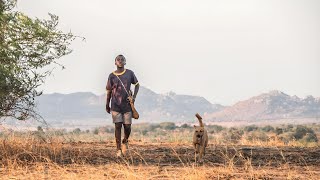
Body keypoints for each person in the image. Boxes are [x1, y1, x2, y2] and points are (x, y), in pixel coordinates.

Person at [106, 54, 140, 157]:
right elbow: (109, 91)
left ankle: (125, 141)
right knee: (117, 126)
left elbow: (137, 85)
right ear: (115, 62)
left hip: (127, 105)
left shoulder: (130, 73)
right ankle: (118, 149)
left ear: (125, 62)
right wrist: (107, 104)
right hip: (115, 105)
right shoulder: (111, 76)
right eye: (118, 60)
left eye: (122, 60)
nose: (120, 61)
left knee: (127, 126)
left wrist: (133, 97)